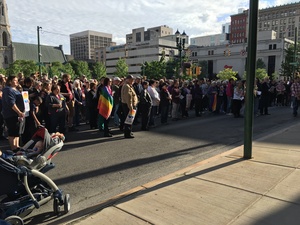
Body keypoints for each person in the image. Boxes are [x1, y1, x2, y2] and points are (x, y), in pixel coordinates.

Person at [1, 75, 25, 150]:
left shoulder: (15, 89)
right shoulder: (8, 90)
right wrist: (19, 112)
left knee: (16, 131)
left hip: (17, 115)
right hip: (11, 114)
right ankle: (13, 148)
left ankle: (17, 146)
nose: (17, 81)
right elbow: (11, 103)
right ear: (10, 81)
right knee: (12, 131)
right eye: (15, 80)